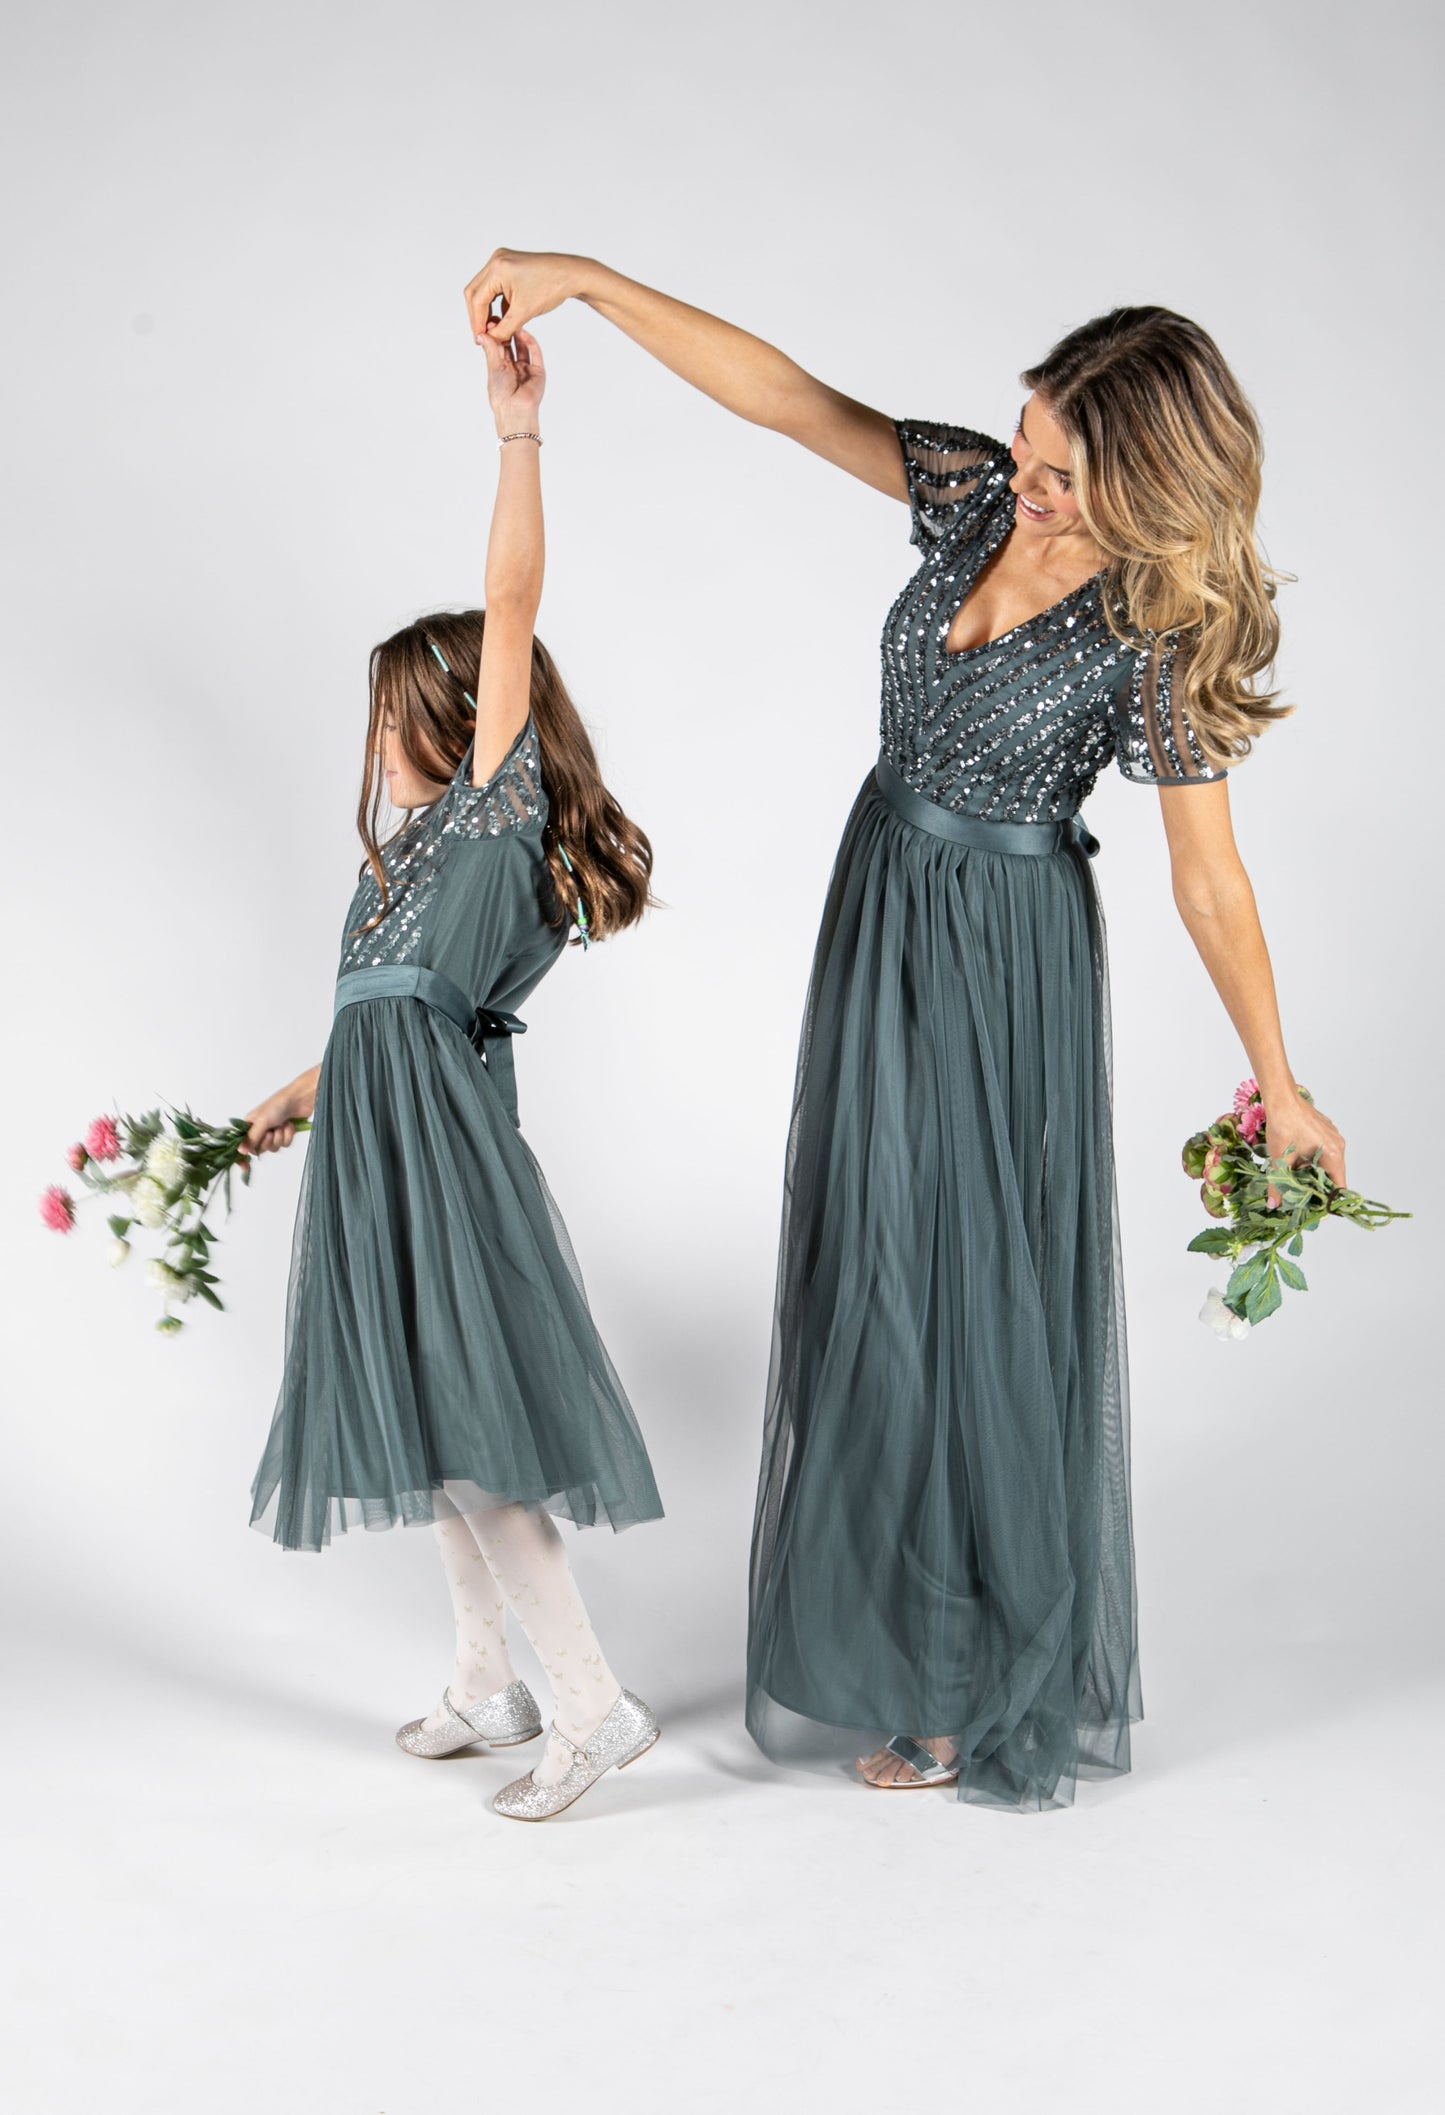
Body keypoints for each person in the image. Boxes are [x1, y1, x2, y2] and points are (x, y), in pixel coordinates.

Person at [462, 253, 1347, 1811]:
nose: (1026, 485)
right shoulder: (970, 496)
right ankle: (909, 1623)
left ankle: (962, 1675)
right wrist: (589, 288)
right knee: (873, 1255)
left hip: (1004, 957)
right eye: (1025, 443)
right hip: (879, 899)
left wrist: (1280, 1085)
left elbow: (1207, 879)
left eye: (1060, 474)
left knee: (964, 1285)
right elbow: (787, 401)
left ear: (1148, 484)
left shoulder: (1153, 632)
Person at [244, 326, 663, 1822]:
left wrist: (516, 435)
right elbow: (386, 1008)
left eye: (388, 709)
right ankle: (489, 1681)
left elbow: (511, 600)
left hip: (437, 1150)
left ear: (452, 715)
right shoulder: (405, 860)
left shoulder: (492, 810)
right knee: (423, 1419)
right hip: (378, 1138)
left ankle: (595, 1706)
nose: (372, 735)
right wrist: (298, 1094)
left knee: (473, 1428)